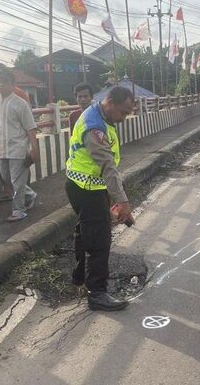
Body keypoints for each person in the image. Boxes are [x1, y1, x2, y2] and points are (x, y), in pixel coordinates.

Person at [65, 86, 136, 311]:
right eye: (123, 112)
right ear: (110, 103)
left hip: (84, 185)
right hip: (86, 188)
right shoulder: (94, 127)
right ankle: (97, 293)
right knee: (99, 240)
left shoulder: (101, 116)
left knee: (84, 231)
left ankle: (79, 276)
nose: (124, 118)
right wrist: (122, 201)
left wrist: (112, 198)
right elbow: (107, 166)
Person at [0, 69, 39, 222]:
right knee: (6, 178)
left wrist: (34, 149)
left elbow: (30, 127)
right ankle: (30, 195)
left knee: (17, 181)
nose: (1, 85)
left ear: (12, 84)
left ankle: (19, 210)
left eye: (5, 81)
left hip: (18, 148)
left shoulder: (20, 104)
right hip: (2, 148)